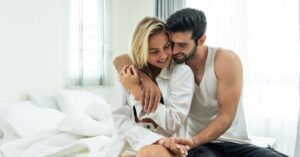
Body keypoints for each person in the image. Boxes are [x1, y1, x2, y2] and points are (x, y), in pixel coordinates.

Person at [113, 8, 286, 157]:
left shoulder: (224, 60)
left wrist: (192, 141)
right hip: (201, 148)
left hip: (234, 143)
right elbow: (123, 58)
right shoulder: (173, 64)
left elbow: (226, 116)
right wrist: (144, 80)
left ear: (201, 40)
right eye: (172, 43)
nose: (171, 52)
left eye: (181, 45)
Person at [111, 16, 195, 157]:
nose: (163, 55)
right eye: (154, 51)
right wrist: (158, 140)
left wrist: (138, 93)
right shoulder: (127, 74)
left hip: (169, 148)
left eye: (167, 46)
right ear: (141, 50)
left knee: (149, 152)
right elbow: (120, 121)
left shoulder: (182, 73)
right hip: (132, 144)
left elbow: (173, 122)